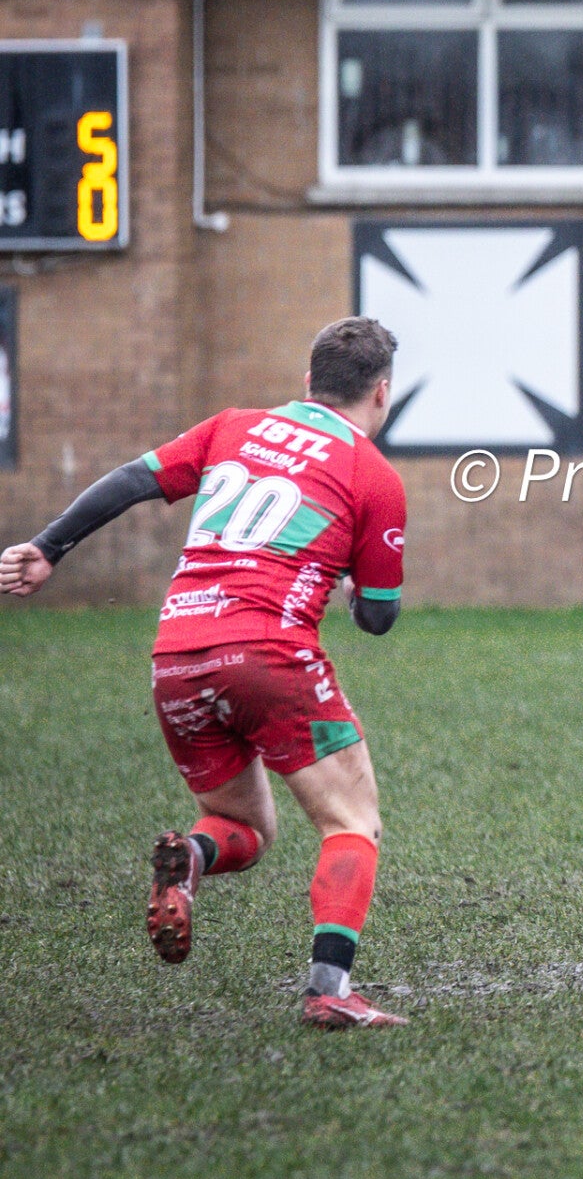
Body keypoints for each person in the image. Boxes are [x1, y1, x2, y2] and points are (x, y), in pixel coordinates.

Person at [0, 317, 415, 1029]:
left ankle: (191, 856)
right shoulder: (372, 473)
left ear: (308, 381)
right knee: (352, 822)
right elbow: (378, 616)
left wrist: (48, 547)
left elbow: (134, 479)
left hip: (177, 655)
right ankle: (330, 991)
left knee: (242, 826)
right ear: (381, 392)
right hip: (269, 654)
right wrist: (352, 588)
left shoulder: (233, 427)